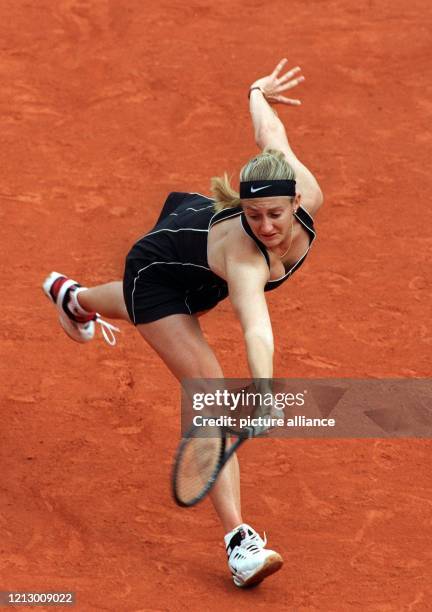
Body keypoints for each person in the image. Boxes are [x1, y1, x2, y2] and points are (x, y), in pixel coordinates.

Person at [42, 58, 323, 588]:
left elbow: (271, 133)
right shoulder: (245, 261)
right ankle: (240, 543)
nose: (264, 226)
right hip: (158, 273)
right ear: (243, 206)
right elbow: (255, 325)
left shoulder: (297, 181)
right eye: (253, 214)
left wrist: (257, 89)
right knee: (210, 390)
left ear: (298, 200)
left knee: (170, 304)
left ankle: (73, 298)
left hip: (193, 252)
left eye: (275, 215)